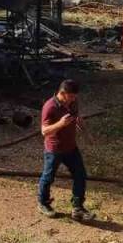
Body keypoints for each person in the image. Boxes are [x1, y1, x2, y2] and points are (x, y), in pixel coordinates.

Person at [37, 79, 91, 220]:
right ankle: (43, 203)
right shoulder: (49, 107)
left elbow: (76, 117)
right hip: (54, 149)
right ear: (62, 93)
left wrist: (85, 131)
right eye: (71, 96)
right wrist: (60, 124)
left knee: (80, 174)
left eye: (75, 96)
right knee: (48, 177)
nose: (74, 99)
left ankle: (77, 207)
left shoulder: (73, 102)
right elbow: (44, 131)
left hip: (71, 147)